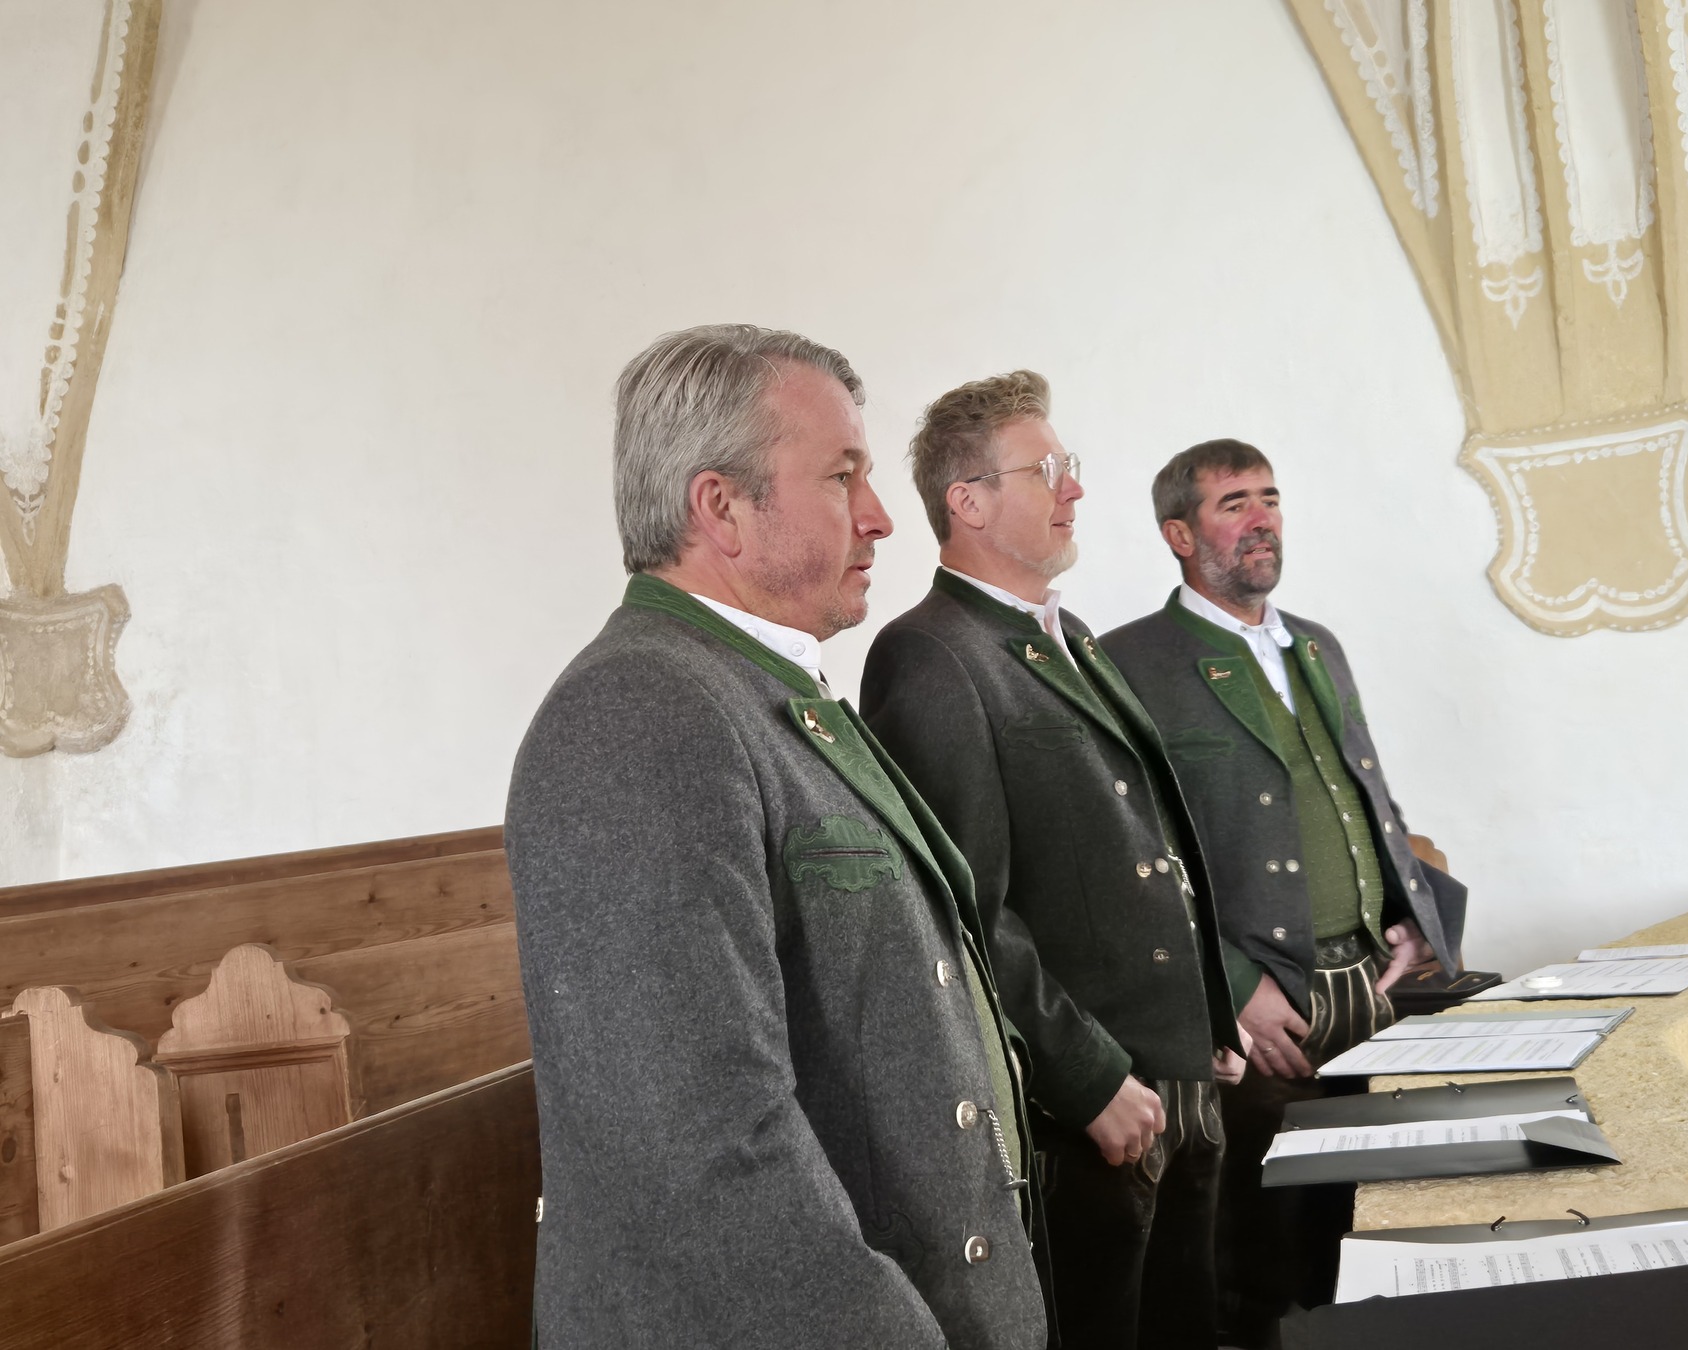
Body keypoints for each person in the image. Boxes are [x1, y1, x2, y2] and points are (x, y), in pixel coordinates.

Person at [506, 325, 1046, 1349]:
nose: (881, 516)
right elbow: (704, 1148)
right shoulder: (639, 712)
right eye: (843, 476)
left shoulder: (761, 692)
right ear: (721, 508)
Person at [860, 371, 1243, 1350]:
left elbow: (1147, 845)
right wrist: (1089, 1081)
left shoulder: (1064, 635)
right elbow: (965, 910)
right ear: (969, 501)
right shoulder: (931, 655)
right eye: (1047, 470)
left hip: (1174, 1079)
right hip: (1092, 1108)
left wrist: (1208, 1018)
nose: (1074, 487)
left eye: (1070, 466)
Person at [1101, 437, 1468, 1346]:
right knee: (1265, 1265)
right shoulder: (1127, 662)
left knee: (1374, 1236)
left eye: (1269, 499)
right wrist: (1232, 989)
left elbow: (1367, 795)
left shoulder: (1315, 643)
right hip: (1264, 1012)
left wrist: (1410, 912)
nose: (1261, 519)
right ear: (1179, 534)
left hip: (1370, 992)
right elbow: (1128, 855)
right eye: (1234, 504)